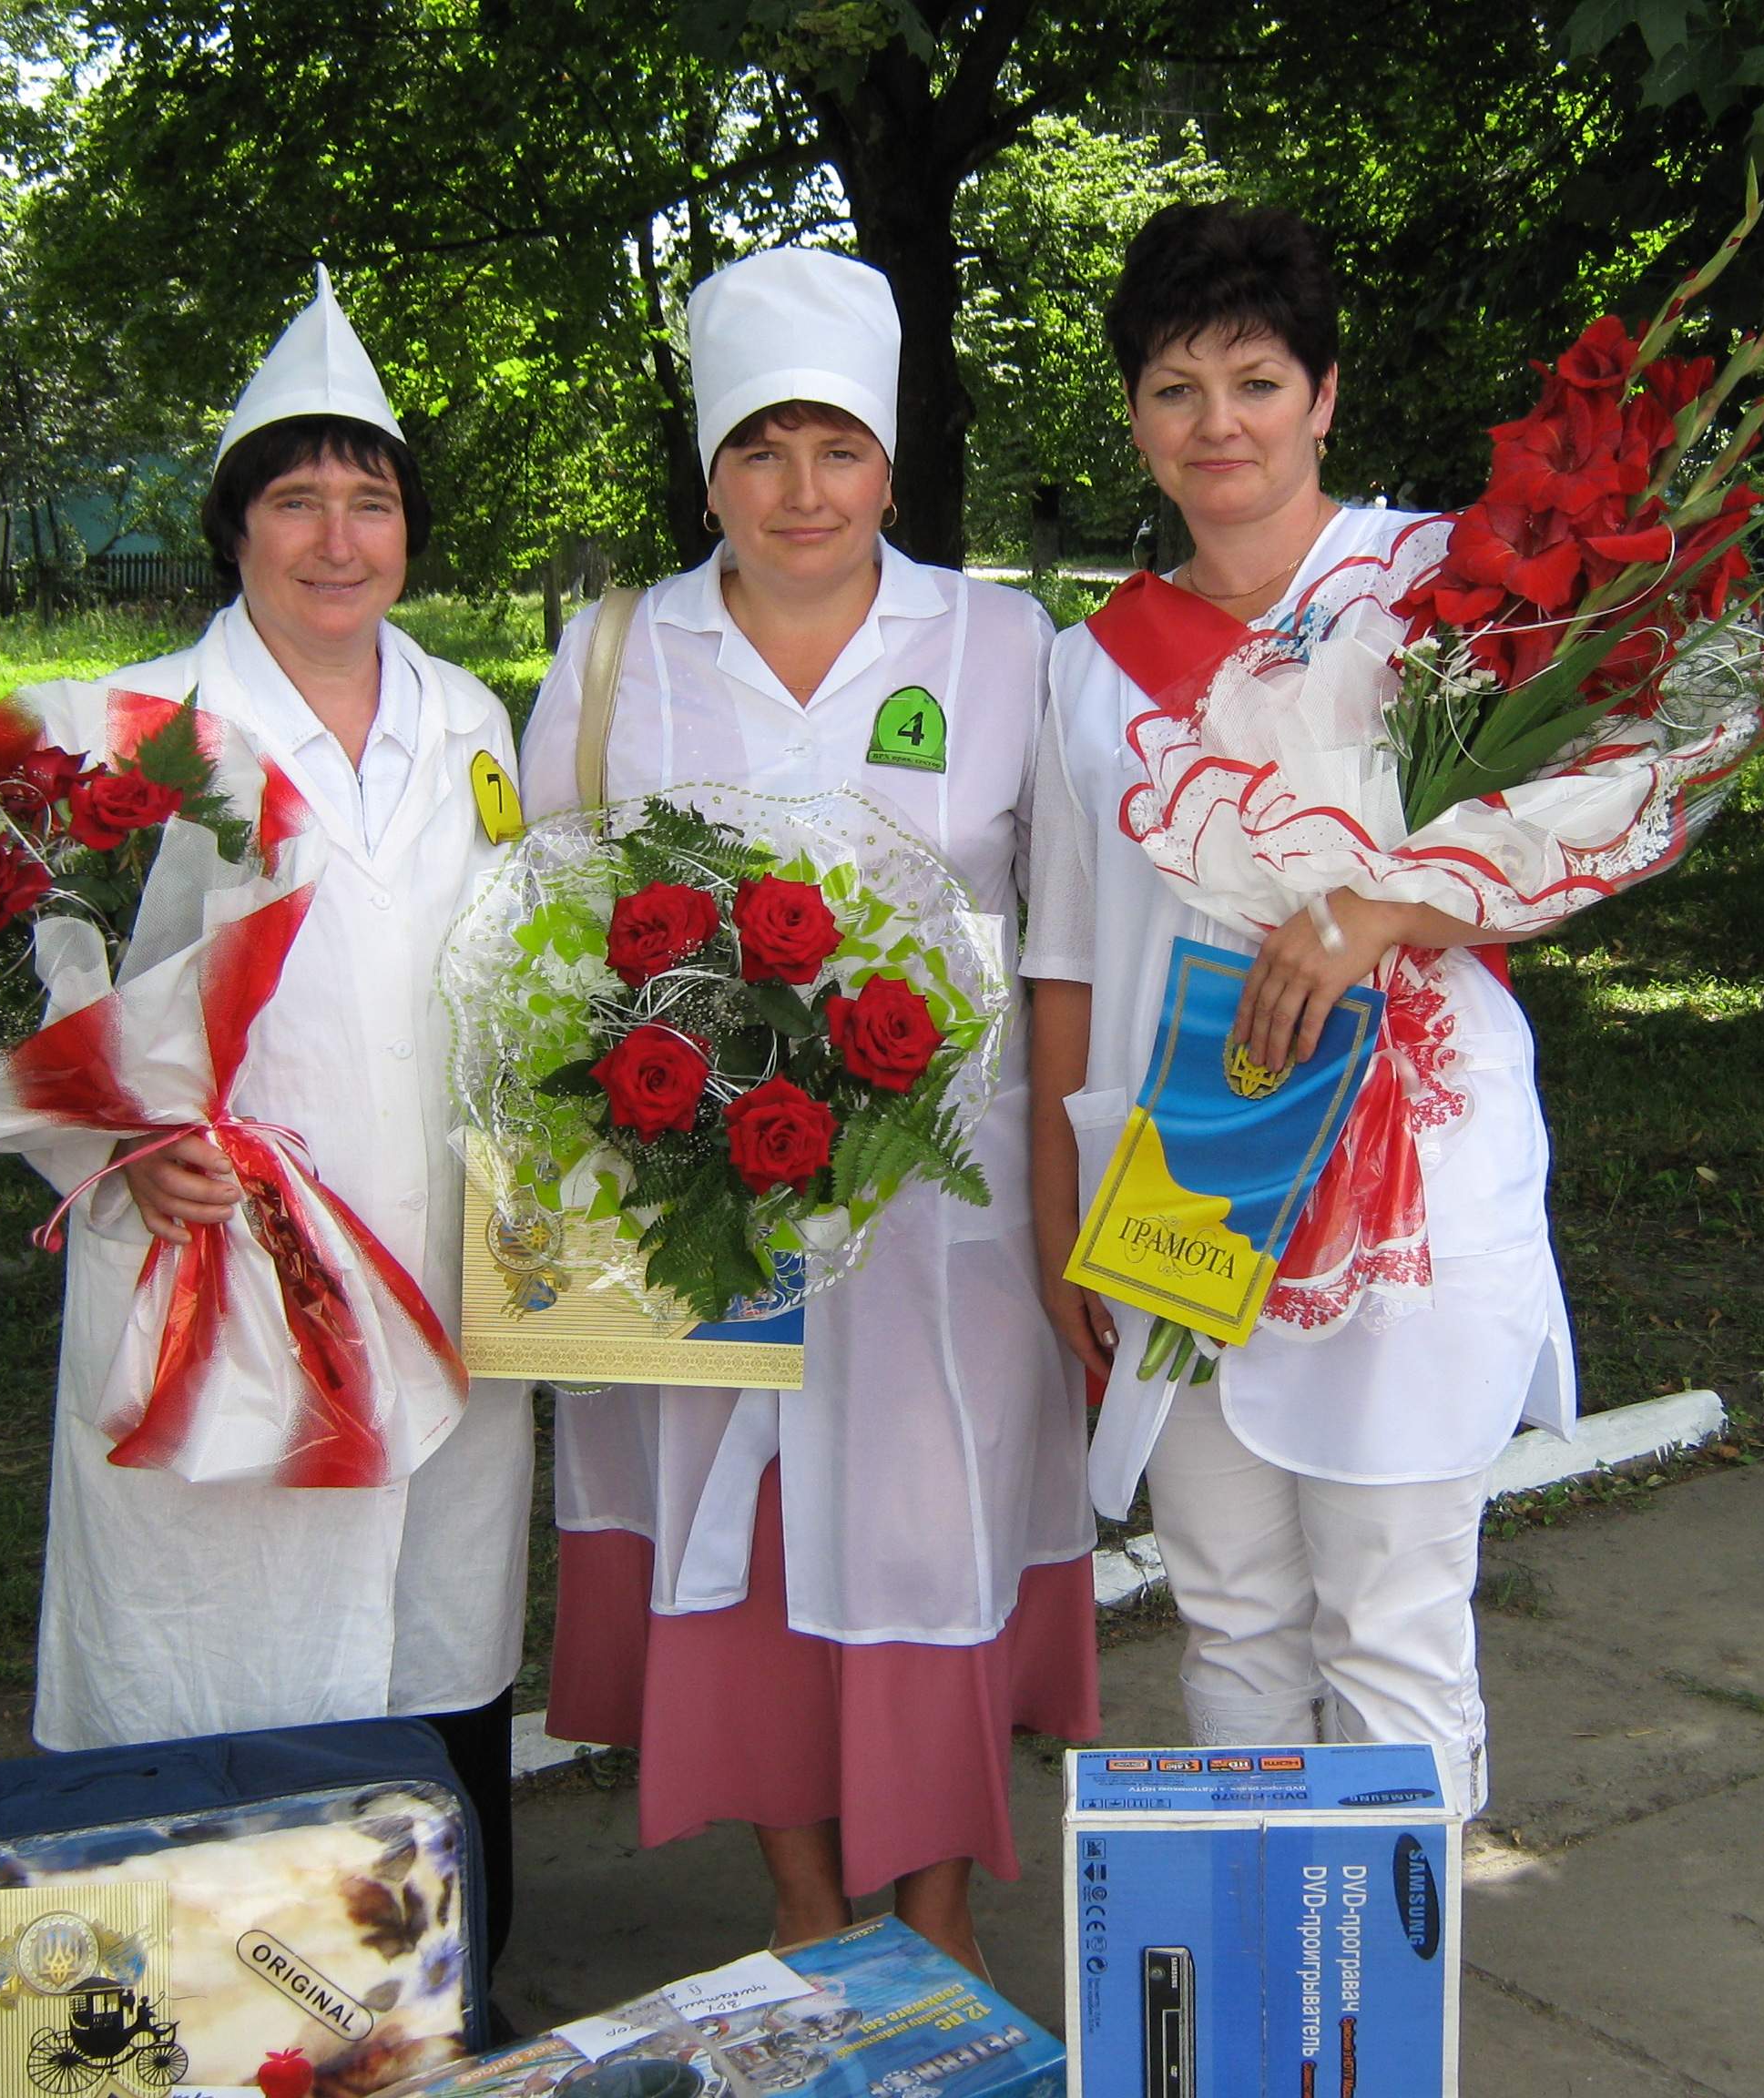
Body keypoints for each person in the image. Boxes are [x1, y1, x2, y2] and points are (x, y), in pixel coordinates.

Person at [519, 248, 1096, 1975]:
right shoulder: (619, 653)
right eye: (759, 451)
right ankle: (797, 1900)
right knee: (744, 1534)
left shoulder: (1000, 644)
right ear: (709, 475)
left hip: (946, 1208)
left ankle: (938, 1913)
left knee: (934, 1531)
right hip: (702, 1197)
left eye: (838, 449)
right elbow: (542, 927)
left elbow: (1064, 925)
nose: (802, 492)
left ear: (891, 469)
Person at [1024, 203, 1574, 1818]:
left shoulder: (1440, 588)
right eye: (1175, 389)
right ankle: (1261, 1967)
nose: (1219, 425)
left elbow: (1549, 844)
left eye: (1256, 381)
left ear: (1324, 395)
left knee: (1393, 1620)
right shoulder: (1091, 670)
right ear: (1137, 417)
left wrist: (1376, 912)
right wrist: (1057, 1214)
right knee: (1230, 1611)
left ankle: (1386, 1979)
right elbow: (1068, 954)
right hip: (1182, 1169)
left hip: (1411, 1172)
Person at [25, 274, 531, 1971]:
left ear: (410, 530)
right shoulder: (133, 728)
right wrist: (112, 1141)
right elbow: (15, 982)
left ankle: (434, 1994)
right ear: (234, 526)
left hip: (440, 1257)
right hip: (227, 1272)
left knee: (437, 1635)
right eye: (296, 499)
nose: (336, 538)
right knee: (222, 1649)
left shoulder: (472, 720)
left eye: (369, 499)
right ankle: (214, 2010)